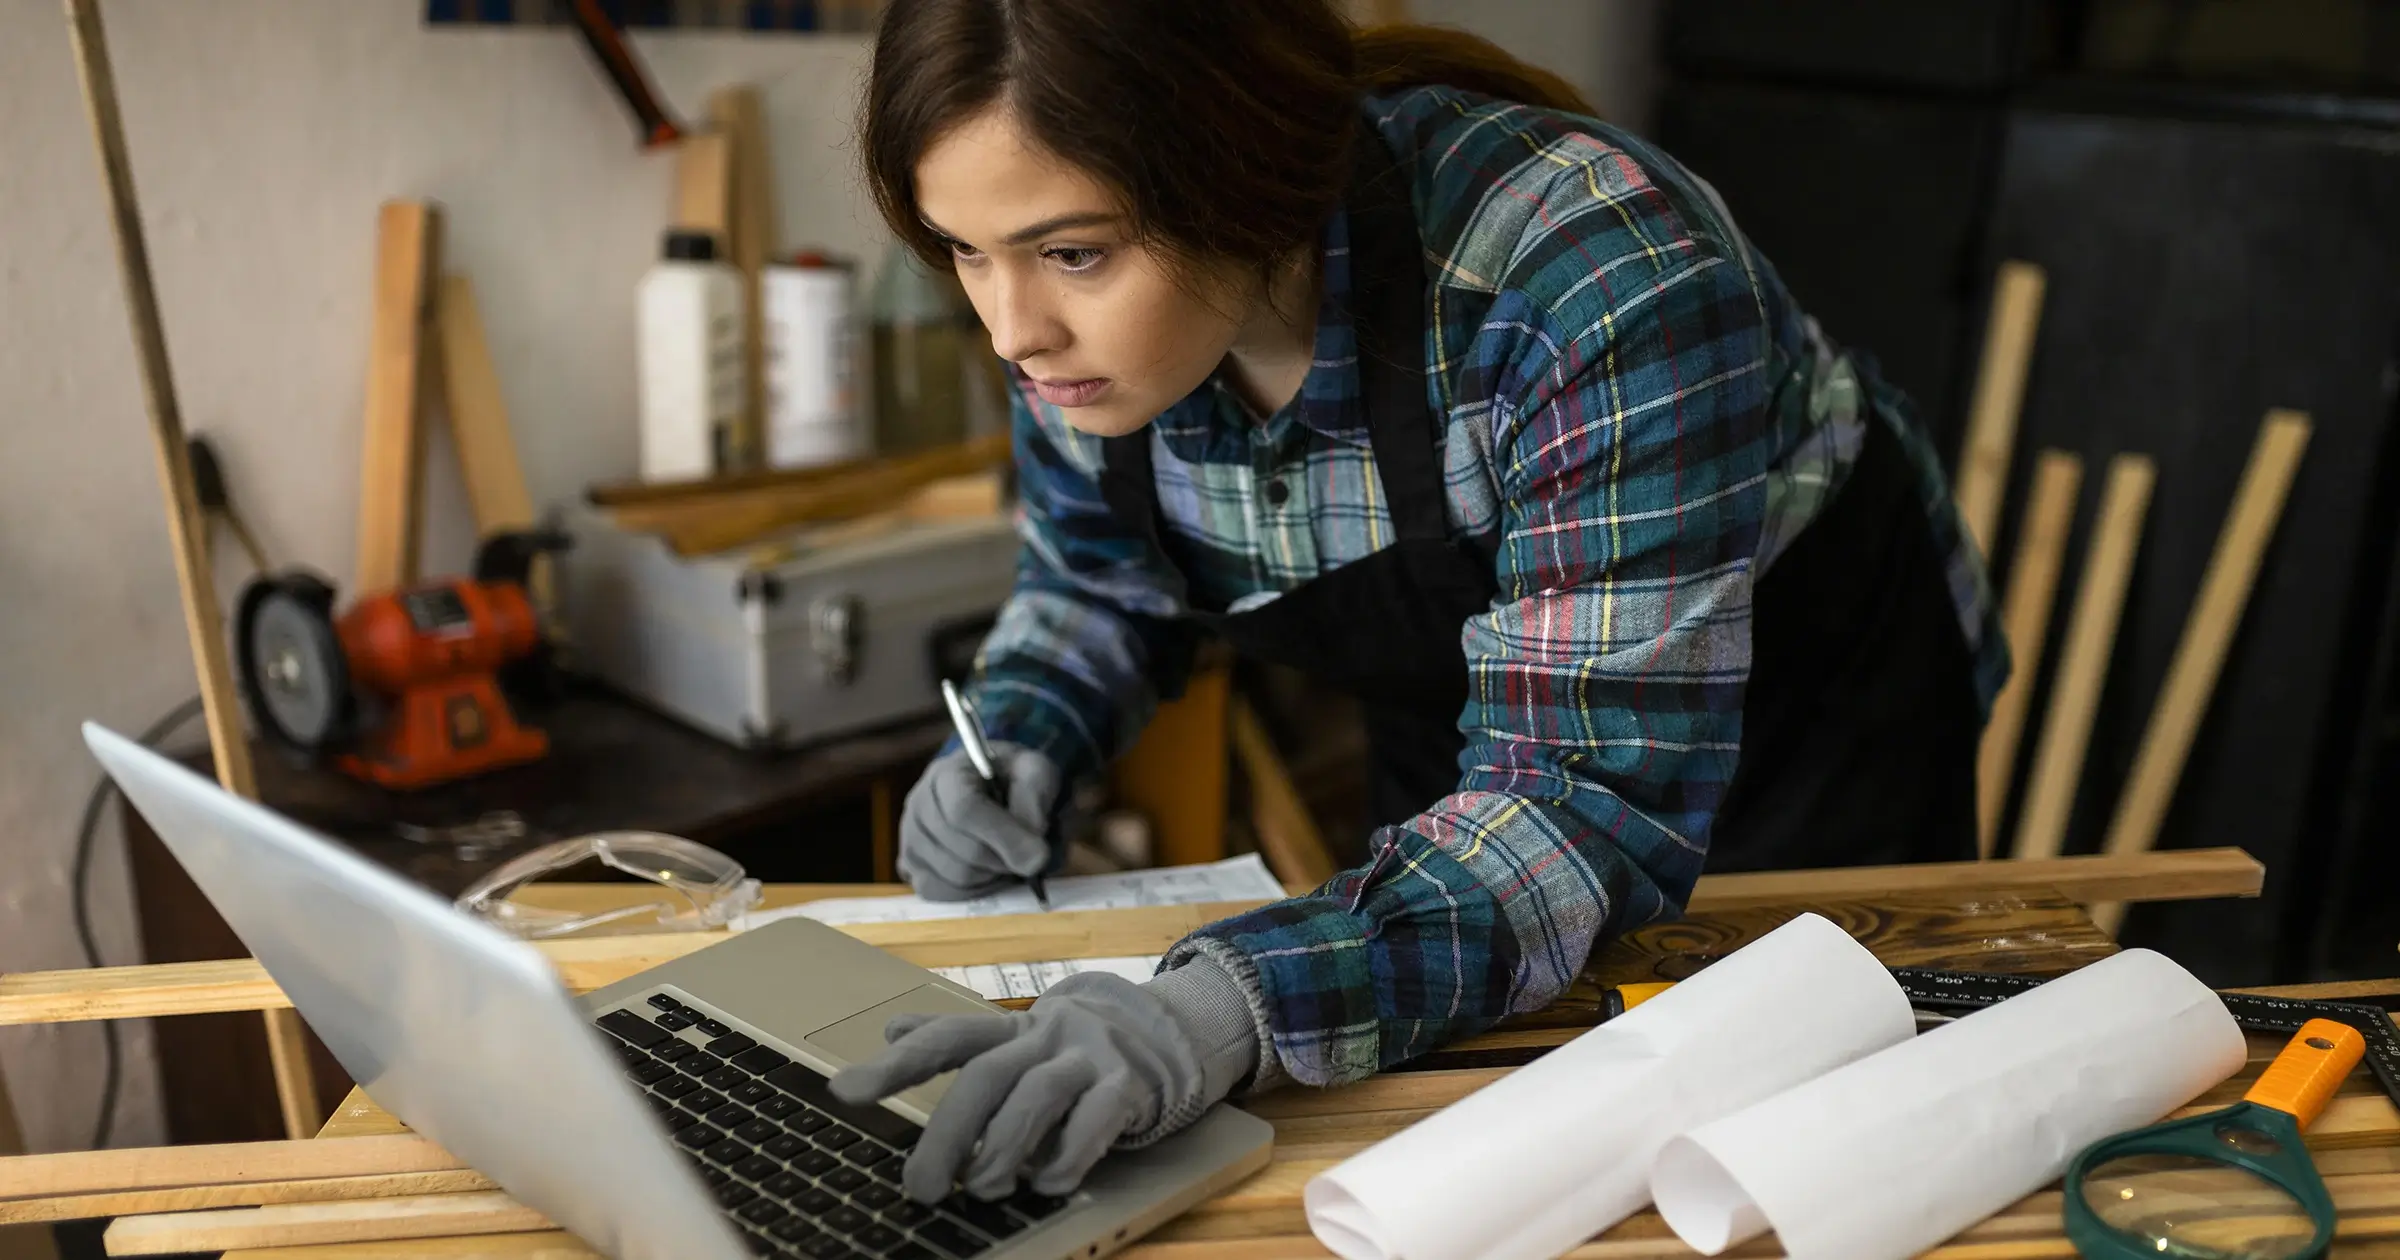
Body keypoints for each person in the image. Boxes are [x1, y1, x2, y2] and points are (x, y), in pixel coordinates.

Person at [826, 0, 2010, 1208]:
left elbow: (1582, 796)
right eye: (965, 252)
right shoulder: (1084, 336)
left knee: (1806, 1174)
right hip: (1482, 753)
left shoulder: (1595, 273)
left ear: (1246, 175)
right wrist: (1024, 731)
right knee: (1484, 1157)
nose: (1015, 332)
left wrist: (1217, 1007)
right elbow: (1098, 580)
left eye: (1073, 254)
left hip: (1795, 740)